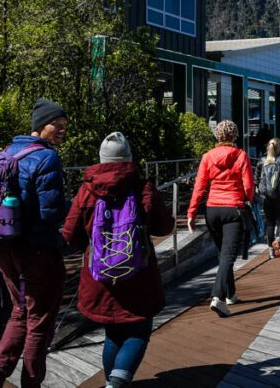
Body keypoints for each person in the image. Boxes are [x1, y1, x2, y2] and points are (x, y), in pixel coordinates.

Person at [62, 132, 175, 388]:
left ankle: (111, 382)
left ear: (101, 160)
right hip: (138, 274)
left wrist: (90, 249)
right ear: (129, 158)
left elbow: (70, 233)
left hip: (99, 275)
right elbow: (164, 227)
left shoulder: (87, 190)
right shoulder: (143, 187)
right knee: (139, 329)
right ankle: (117, 383)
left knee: (112, 332)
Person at [0, 99, 68, 388]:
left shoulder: (6, 152)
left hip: (5, 247)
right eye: (57, 124)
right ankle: (31, 384)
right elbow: (49, 213)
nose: (62, 130)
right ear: (41, 124)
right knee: (39, 323)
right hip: (37, 250)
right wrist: (74, 205)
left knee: (19, 310)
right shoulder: (47, 158)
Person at [187, 120, 254, 318]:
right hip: (233, 209)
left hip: (212, 209)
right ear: (234, 136)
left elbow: (199, 186)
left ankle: (231, 292)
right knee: (228, 255)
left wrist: (191, 213)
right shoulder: (241, 155)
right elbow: (249, 186)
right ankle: (218, 296)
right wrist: (247, 199)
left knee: (222, 253)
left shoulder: (207, 157)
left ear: (217, 136)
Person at [256, 138, 280, 258]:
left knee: (270, 223)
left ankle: (271, 250)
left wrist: (262, 190)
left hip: (267, 197)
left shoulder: (261, 161)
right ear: (279, 147)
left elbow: (256, 179)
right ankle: (278, 239)